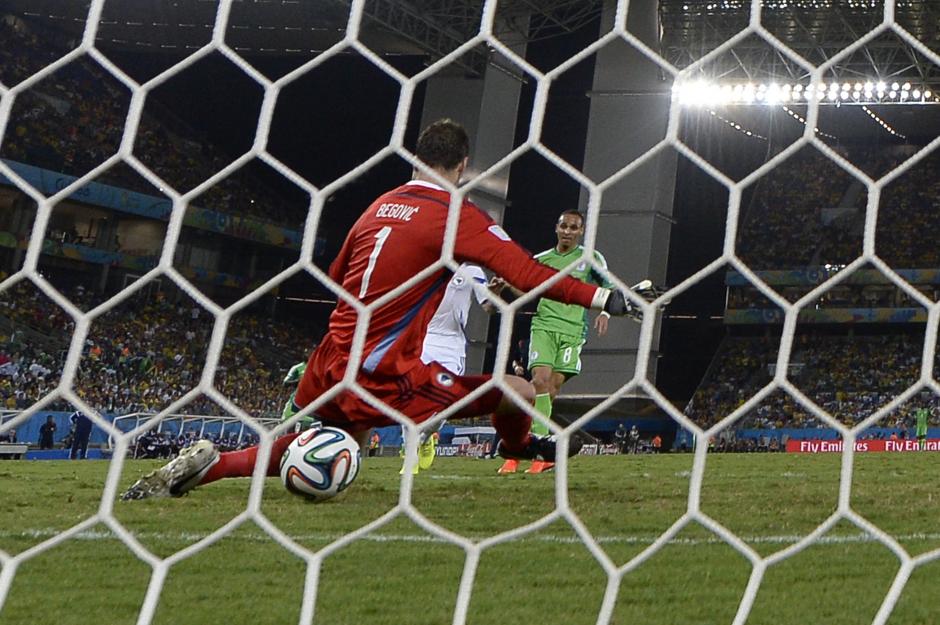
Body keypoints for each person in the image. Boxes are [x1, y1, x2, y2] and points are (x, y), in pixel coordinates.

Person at [121, 118, 633, 500]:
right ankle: (517, 448)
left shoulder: (377, 207)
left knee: (337, 442)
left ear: (416, 158)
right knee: (516, 391)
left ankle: (211, 467)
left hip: (331, 357)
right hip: (382, 370)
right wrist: (602, 296)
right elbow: (526, 272)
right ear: (461, 167)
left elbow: (338, 272)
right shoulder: (454, 214)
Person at [497, 209, 614, 475]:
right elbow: (524, 288)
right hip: (544, 326)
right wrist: (505, 285)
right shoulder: (542, 260)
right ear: (556, 228)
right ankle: (537, 450)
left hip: (573, 331)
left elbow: (609, 287)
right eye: (564, 226)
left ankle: (528, 448)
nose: (567, 231)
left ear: (581, 231)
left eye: (573, 227)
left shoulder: (590, 259)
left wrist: (605, 312)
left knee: (549, 391)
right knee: (538, 382)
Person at [400, 263, 499, 475]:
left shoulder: (472, 272)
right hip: (423, 338)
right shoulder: (426, 264)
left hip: (452, 345)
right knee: (409, 397)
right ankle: (410, 457)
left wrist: (496, 295)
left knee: (448, 402)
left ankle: (426, 437)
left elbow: (488, 307)